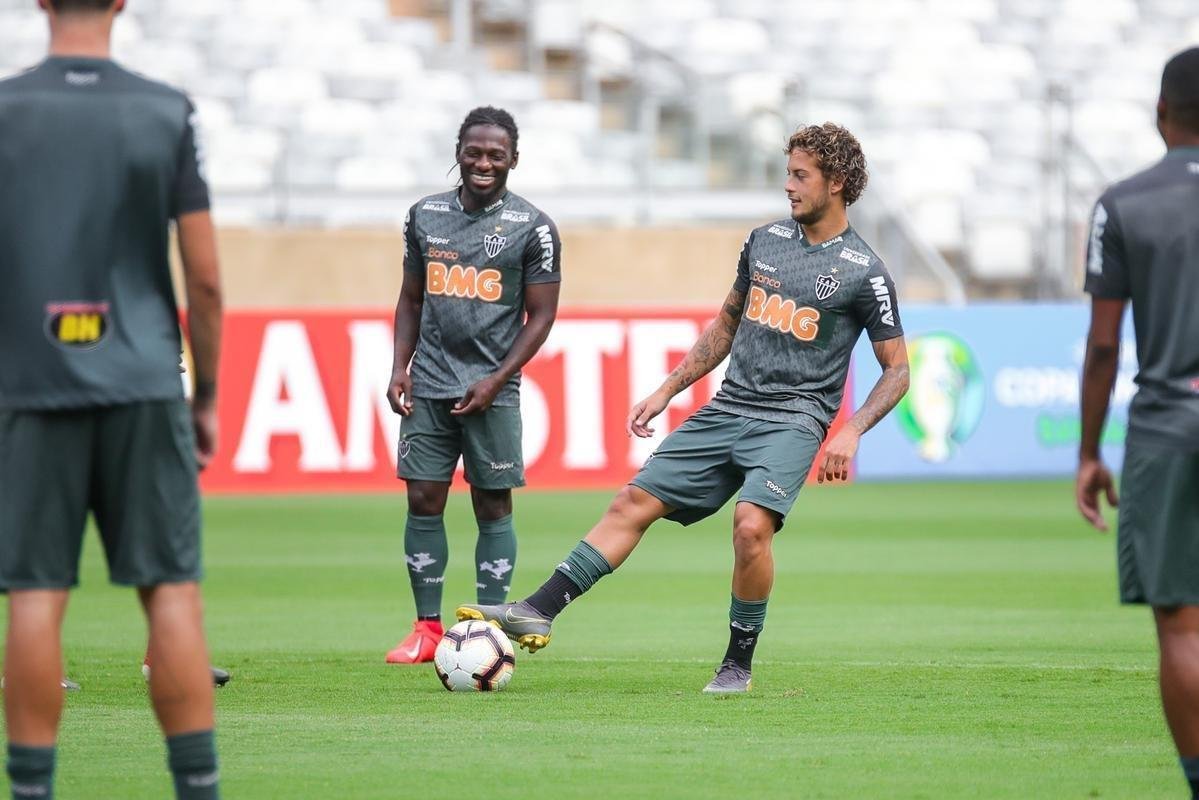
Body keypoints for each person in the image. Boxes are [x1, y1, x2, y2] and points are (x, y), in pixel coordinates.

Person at [460, 122, 910, 693]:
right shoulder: (763, 242)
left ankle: (736, 665)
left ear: (837, 182)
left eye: (801, 176)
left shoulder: (864, 272)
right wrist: (667, 389)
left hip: (794, 419)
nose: (789, 187)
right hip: (729, 408)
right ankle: (538, 608)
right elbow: (726, 324)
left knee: (750, 528)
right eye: (788, 174)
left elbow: (898, 369)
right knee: (632, 501)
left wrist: (850, 431)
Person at [0, 1, 225, 796]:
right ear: (122, 3)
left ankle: (31, 790)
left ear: (40, 3)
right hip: (141, 381)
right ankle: (196, 787)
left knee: (33, 596)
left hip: (31, 386)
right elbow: (203, 278)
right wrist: (206, 397)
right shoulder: (165, 110)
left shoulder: (6, 110)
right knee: (169, 591)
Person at [384, 106, 562, 664]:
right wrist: (399, 367)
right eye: (474, 152)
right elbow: (412, 297)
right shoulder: (424, 215)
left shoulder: (533, 227)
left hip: (493, 388)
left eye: (496, 155)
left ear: (513, 159)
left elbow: (541, 316)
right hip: (431, 381)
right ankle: (427, 629)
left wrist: (498, 378)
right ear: (458, 152)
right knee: (423, 497)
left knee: (491, 504)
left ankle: (490, 626)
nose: (484, 163)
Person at [1077, 46, 1199, 800]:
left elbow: (1100, 346)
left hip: (1166, 431)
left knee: (1182, 627)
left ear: (1160, 114)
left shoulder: (1121, 203)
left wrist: (1088, 452)